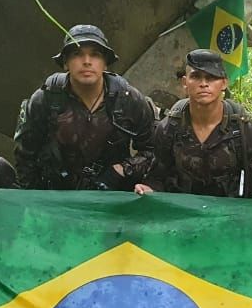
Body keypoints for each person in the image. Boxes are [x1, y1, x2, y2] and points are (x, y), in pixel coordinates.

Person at [14, 25, 157, 190]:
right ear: (66, 63)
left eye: (95, 55)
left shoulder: (128, 99)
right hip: (57, 195)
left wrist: (123, 170)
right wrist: (35, 200)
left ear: (105, 64)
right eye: (77, 54)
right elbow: (24, 157)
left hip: (112, 197)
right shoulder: (45, 99)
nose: (87, 61)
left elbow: (153, 151)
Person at [135, 49, 252, 198]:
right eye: (196, 77)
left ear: (224, 83)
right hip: (181, 212)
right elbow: (157, 177)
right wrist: (148, 189)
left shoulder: (243, 129)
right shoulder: (170, 127)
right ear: (185, 82)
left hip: (227, 214)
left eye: (211, 78)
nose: (204, 84)